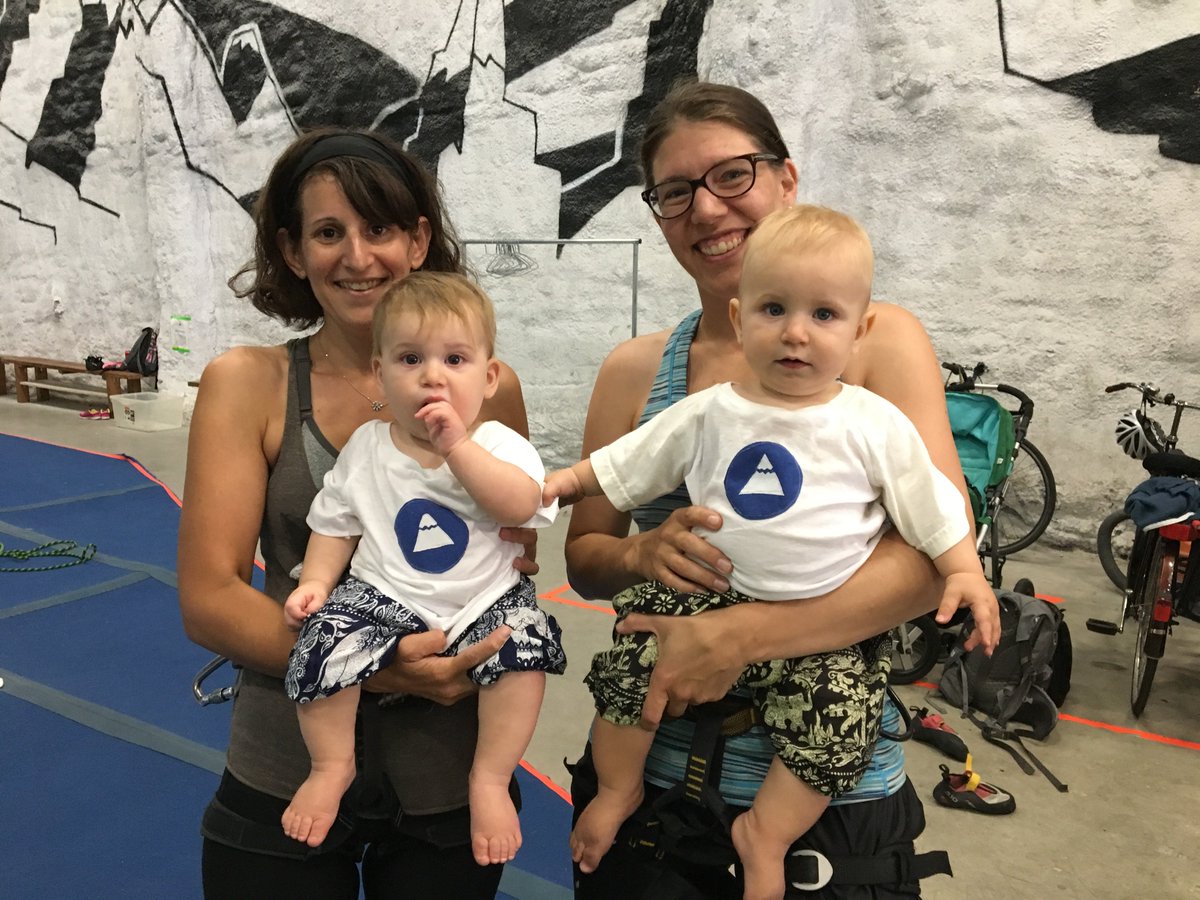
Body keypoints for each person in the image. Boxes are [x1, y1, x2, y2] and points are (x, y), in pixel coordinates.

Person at [562, 81, 1002, 899]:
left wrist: (741, 636)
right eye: (675, 191)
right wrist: (641, 554)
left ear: (786, 179)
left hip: (824, 803)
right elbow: (585, 560)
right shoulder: (635, 371)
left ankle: (766, 832)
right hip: (651, 782)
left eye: (733, 174)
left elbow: (931, 557)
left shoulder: (877, 346)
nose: (707, 208)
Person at [177, 128, 539, 899]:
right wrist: (373, 664)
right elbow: (209, 599)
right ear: (292, 250)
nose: (357, 256)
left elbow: (513, 541)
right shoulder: (248, 383)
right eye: (327, 233)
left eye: (378, 228)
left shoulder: (490, 390)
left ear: (418, 241)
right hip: (288, 757)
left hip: (446, 768)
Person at [280, 272, 565, 864]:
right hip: (384, 594)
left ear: (489, 377)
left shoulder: (499, 444)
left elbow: (520, 505)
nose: (433, 376)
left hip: (485, 598)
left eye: (454, 359)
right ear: (381, 373)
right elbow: (335, 523)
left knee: (526, 650)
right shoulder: (367, 447)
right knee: (323, 640)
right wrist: (315, 583)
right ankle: (331, 765)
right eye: (411, 359)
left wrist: (457, 447)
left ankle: (489, 777)